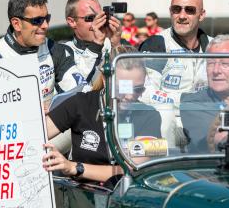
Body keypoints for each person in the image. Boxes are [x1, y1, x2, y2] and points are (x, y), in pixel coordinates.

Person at [42, 46, 161, 182]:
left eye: (138, 89)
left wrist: (75, 168)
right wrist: (34, 115)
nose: (130, 96)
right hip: (86, 195)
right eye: (123, 87)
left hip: (127, 194)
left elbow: (131, 169)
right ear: (105, 79)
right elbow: (34, 135)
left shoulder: (151, 115)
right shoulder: (79, 103)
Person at [0, 0, 82, 104]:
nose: (45, 25)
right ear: (16, 24)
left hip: (51, 118)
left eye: (47, 18)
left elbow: (78, 90)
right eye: (37, 21)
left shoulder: (53, 48)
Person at [139, 0, 212, 103]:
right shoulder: (156, 44)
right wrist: (185, 101)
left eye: (190, 10)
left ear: (201, 15)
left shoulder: (215, 46)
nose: (182, 16)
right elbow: (146, 94)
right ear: (170, 12)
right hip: (170, 118)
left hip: (208, 117)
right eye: (176, 9)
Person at [63, 0, 122, 85]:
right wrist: (97, 43)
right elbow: (77, 86)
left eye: (101, 17)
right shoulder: (63, 52)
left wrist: (116, 44)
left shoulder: (113, 43)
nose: (98, 23)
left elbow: (138, 78)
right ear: (72, 22)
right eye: (90, 18)